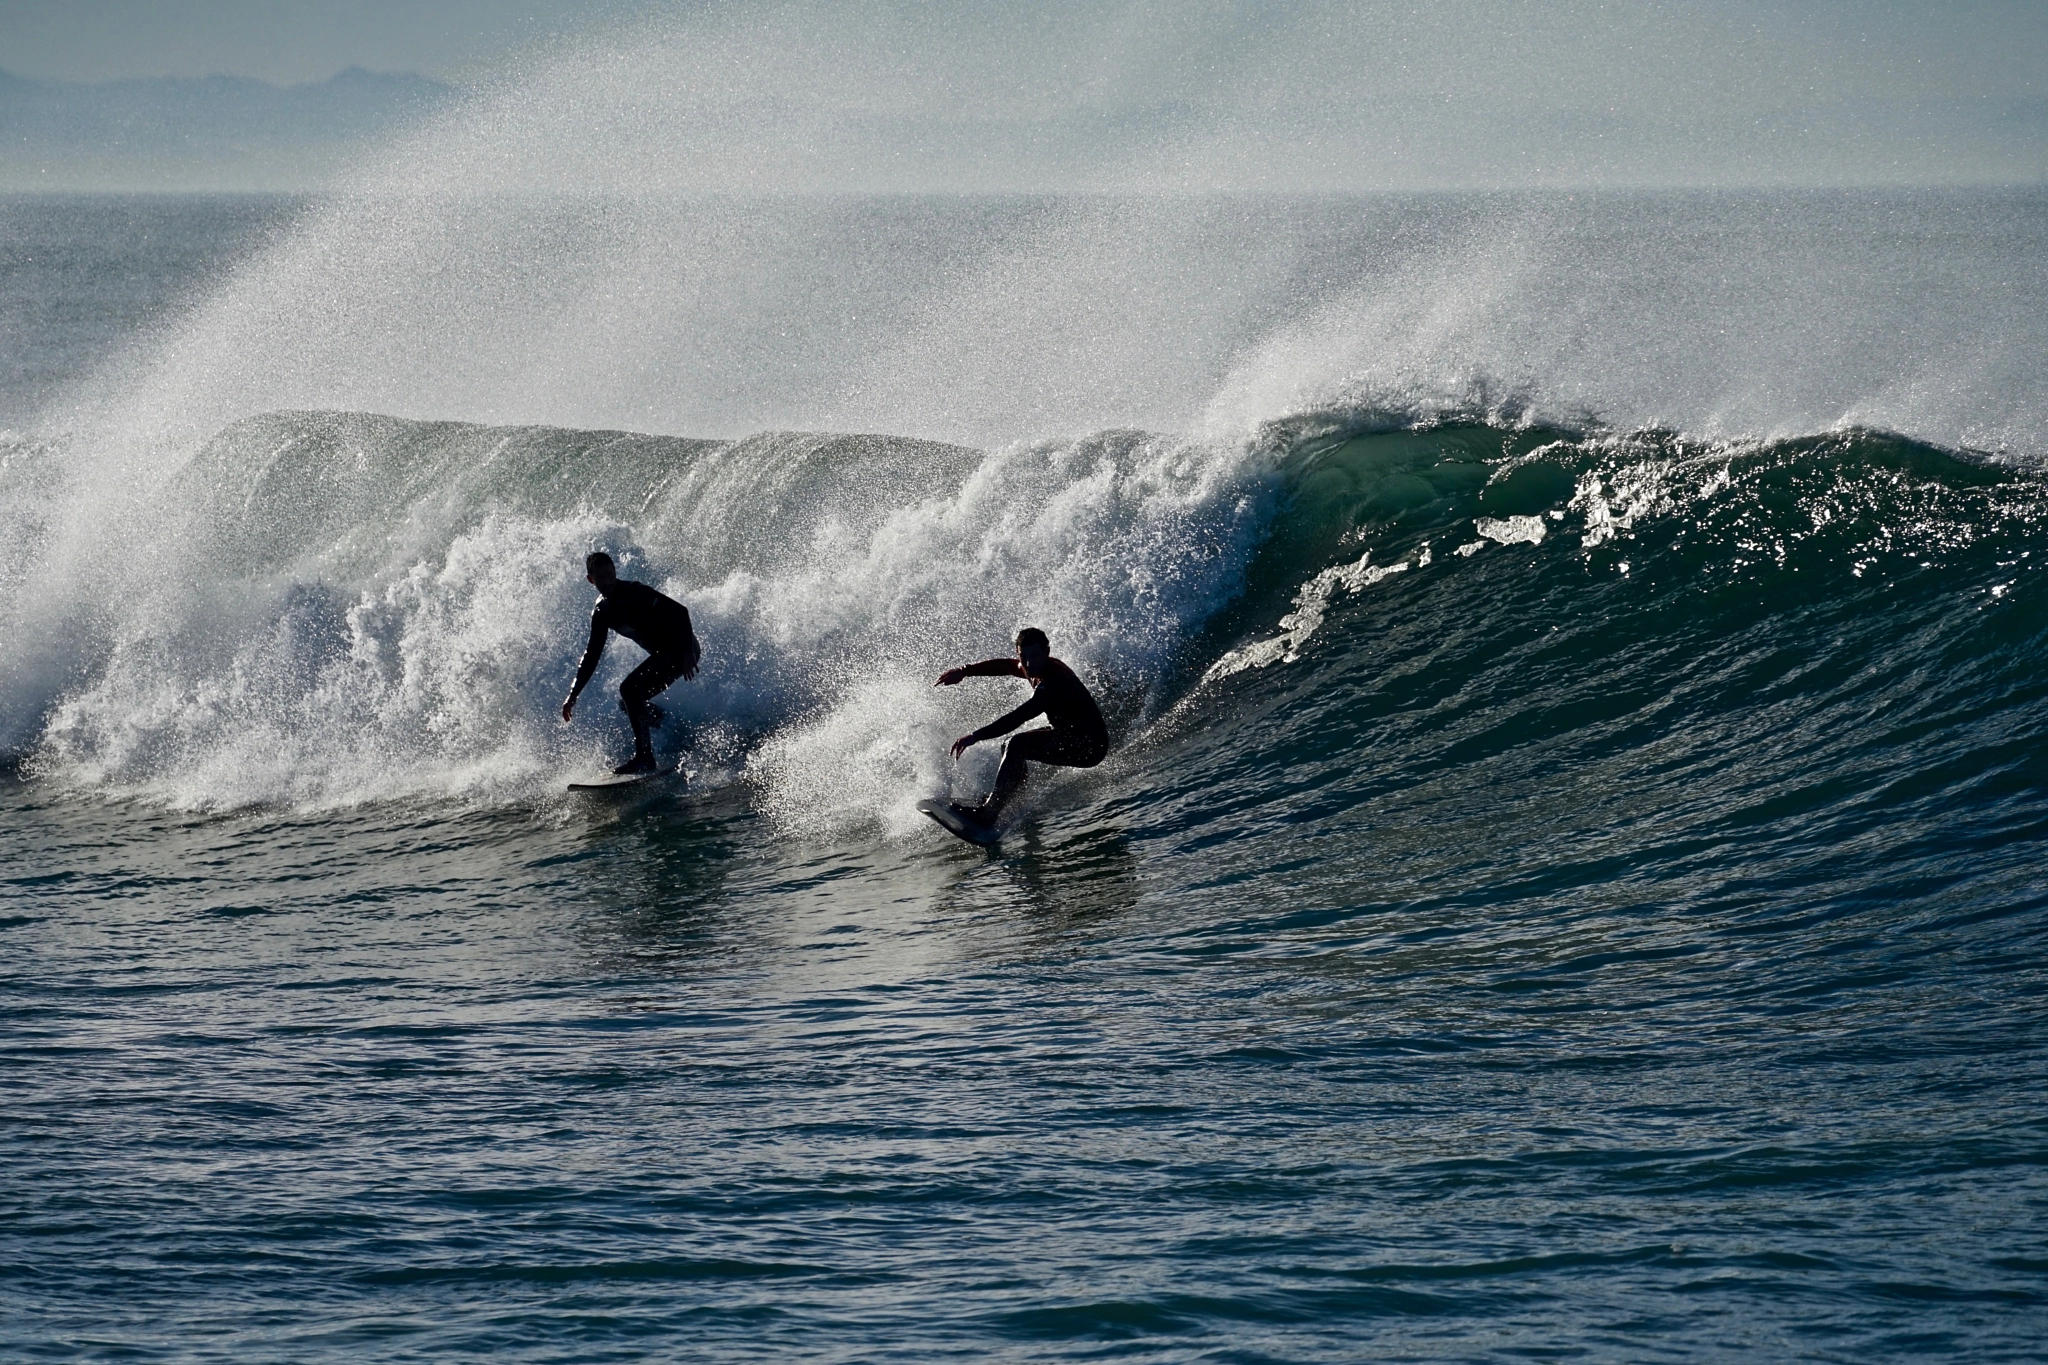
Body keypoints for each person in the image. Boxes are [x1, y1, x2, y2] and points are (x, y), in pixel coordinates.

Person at [936, 627, 1108, 824]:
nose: (1028, 663)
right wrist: (965, 671)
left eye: (1035, 655)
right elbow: (1005, 666)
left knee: (1017, 744)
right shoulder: (1031, 667)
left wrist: (976, 736)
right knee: (1010, 746)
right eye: (1023, 656)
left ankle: (989, 813)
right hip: (1067, 734)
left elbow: (1018, 717)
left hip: (1089, 746)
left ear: (1047, 652)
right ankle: (1015, 801)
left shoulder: (1053, 681)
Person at [561, 551, 701, 774]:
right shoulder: (601, 611)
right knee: (630, 702)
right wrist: (573, 695)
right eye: (601, 578)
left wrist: (687, 654)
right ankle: (669, 726)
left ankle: (644, 758)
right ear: (591, 580)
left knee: (629, 689)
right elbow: (592, 655)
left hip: (681, 648)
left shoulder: (635, 592)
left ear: (615, 572)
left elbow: (680, 612)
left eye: (610, 575)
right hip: (665, 654)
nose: (607, 582)